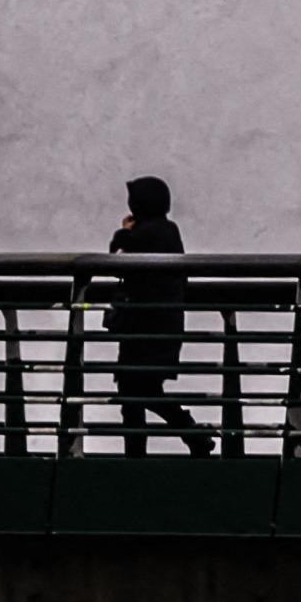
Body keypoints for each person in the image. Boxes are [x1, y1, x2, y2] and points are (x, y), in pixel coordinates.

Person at [108, 175, 215, 455]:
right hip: (159, 325)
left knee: (135, 392)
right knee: (141, 390)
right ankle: (188, 434)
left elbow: (118, 259)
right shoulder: (168, 231)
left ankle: (168, 440)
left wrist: (124, 232)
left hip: (144, 327)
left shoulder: (145, 234)